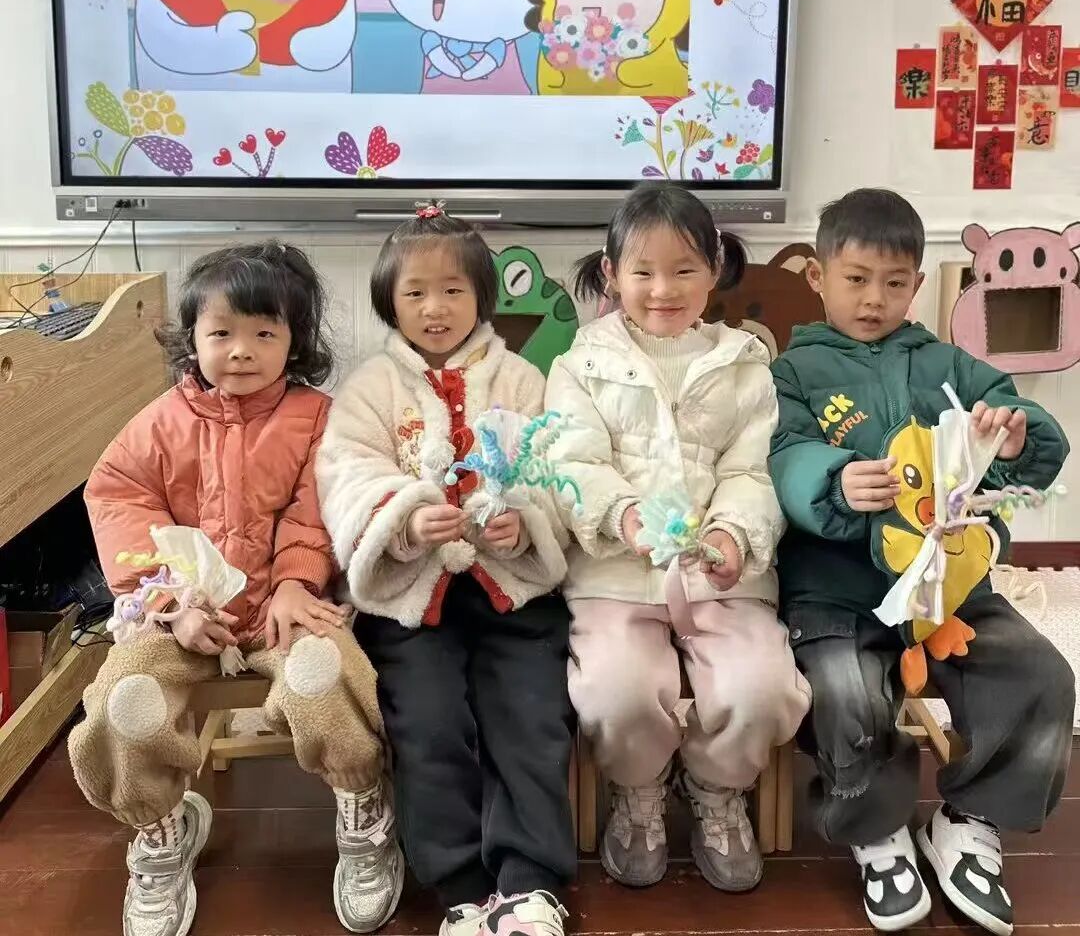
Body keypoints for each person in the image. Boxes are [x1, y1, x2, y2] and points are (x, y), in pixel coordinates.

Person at [69, 243, 401, 936]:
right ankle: (161, 828)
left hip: (287, 608)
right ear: (191, 338)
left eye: (264, 333)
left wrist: (294, 583)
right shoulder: (158, 424)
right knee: (124, 698)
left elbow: (319, 507)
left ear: (295, 341)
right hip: (183, 618)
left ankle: (362, 803)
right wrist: (171, 602)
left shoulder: (320, 419)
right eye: (221, 332)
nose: (241, 350)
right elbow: (119, 498)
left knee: (326, 675)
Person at [769, 188, 1074, 935]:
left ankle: (970, 819)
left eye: (896, 282)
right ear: (818, 276)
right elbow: (780, 453)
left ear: (918, 282)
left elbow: (1023, 431)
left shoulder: (949, 364)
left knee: (1041, 675)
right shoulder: (791, 372)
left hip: (950, 589)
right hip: (837, 591)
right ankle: (875, 830)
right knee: (845, 693)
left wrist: (1014, 436)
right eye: (856, 279)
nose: (875, 299)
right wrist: (831, 479)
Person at [544, 181, 811, 892]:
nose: (663, 290)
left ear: (715, 269)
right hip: (615, 577)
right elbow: (571, 463)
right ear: (612, 274)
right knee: (615, 690)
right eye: (644, 271)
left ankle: (717, 790)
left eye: (684, 269)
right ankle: (638, 792)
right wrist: (622, 516)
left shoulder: (745, 364)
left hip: (723, 577)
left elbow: (753, 468)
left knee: (762, 688)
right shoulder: (579, 365)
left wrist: (733, 534)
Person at [317, 205, 575, 936]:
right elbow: (345, 477)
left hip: (513, 593)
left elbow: (556, 470)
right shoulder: (370, 388)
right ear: (390, 301)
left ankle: (530, 885)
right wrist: (402, 521)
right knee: (427, 723)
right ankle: (460, 887)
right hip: (411, 601)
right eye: (416, 293)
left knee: (531, 716)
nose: (435, 308)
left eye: (453, 290)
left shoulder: (521, 379)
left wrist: (524, 523)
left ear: (482, 297)